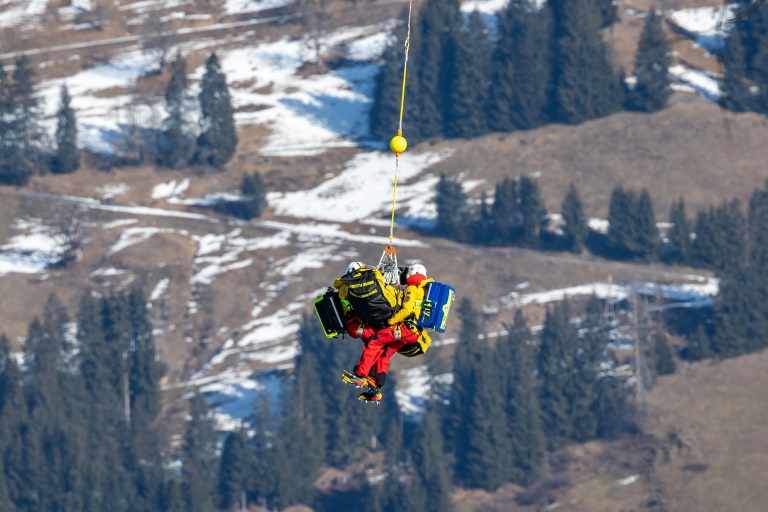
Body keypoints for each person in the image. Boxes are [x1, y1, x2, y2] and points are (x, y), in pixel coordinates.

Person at [342, 263, 432, 403]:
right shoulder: (426, 289)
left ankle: (361, 375)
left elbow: (407, 310)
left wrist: (391, 321)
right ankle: (376, 388)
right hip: (414, 333)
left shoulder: (412, 288)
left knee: (374, 342)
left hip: (405, 329)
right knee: (385, 352)